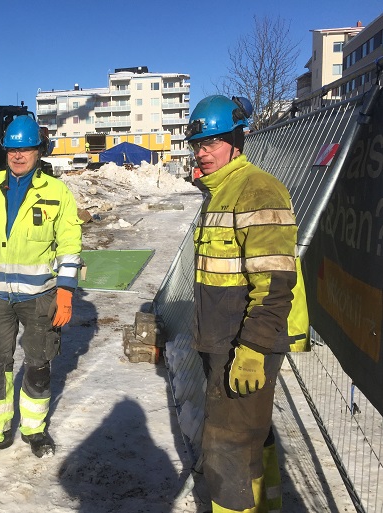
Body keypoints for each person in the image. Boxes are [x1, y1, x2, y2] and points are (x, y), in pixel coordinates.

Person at [185, 95, 309, 512]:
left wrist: (253, 349)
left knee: (227, 450)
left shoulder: (257, 190)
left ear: (237, 141)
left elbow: (274, 283)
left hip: (243, 343)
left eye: (212, 142)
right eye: (197, 144)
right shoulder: (221, 191)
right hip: (224, 342)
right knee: (252, 437)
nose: (202, 152)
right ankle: (267, 505)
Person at [0, 115, 83, 461]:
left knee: (38, 363)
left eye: (25, 148)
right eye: (12, 149)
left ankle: (34, 429)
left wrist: (65, 292)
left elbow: (69, 246)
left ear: (39, 151)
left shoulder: (57, 193)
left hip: (39, 297)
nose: (18, 155)